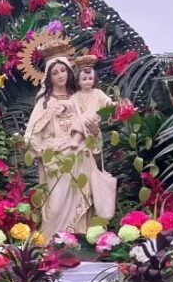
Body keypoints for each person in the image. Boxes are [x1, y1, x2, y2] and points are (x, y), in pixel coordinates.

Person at [24, 54, 108, 238]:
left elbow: (92, 130)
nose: (60, 75)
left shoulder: (78, 98)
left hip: (80, 157)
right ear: (49, 77)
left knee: (84, 201)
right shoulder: (44, 102)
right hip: (56, 160)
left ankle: (79, 242)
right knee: (55, 205)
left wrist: (94, 130)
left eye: (63, 70)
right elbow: (30, 135)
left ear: (70, 73)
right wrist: (48, 148)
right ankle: (53, 245)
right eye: (55, 72)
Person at [73, 56, 118, 222]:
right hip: (81, 138)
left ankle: (95, 216)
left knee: (89, 117)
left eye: (90, 78)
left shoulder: (98, 93)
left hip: (93, 130)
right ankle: (77, 138)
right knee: (82, 118)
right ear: (78, 81)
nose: (87, 81)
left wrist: (115, 105)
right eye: (84, 79)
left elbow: (108, 103)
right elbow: (70, 109)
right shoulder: (75, 97)